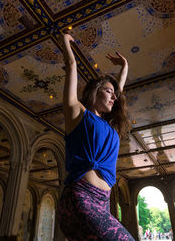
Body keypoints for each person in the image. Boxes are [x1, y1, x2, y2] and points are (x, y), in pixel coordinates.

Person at [56, 33, 134, 240]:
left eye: (114, 93)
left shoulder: (110, 126)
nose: (114, 96)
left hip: (103, 202)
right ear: (95, 91)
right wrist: (65, 41)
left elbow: (120, 91)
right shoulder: (78, 113)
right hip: (80, 196)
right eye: (108, 91)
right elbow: (71, 65)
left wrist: (124, 66)